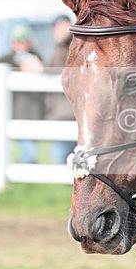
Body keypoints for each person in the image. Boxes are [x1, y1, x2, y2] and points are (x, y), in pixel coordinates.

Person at [0, 24, 45, 164]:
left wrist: (38, 69)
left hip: (34, 109)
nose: (20, 44)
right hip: (14, 110)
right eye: (18, 41)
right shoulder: (5, 60)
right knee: (26, 150)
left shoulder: (37, 58)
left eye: (23, 40)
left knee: (29, 148)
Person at [44, 15, 77, 164]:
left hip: (69, 112)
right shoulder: (58, 48)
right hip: (60, 112)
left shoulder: (73, 47)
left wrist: (40, 70)